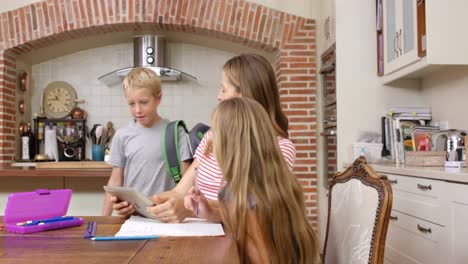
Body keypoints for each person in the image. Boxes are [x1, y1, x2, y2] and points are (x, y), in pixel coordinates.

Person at [112, 54, 296, 222]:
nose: (218, 96)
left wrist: (193, 210)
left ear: (244, 96)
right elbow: (179, 192)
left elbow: (256, 211)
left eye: (224, 90)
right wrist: (140, 205)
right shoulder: (211, 138)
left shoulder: (280, 148)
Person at [185, 97, 321, 263]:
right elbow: (234, 221)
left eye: (216, 135)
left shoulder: (248, 199)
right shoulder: (270, 185)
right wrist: (209, 212)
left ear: (229, 145)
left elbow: (263, 258)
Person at [102, 67, 192, 216]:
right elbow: (115, 181)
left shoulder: (176, 132)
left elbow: (187, 182)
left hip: (166, 215)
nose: (138, 110)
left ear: (158, 98)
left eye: (144, 102)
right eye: (131, 103)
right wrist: (103, 220)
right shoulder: (122, 135)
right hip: (132, 217)